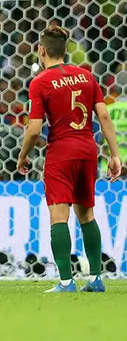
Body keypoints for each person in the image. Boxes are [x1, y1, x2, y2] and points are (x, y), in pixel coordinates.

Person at [17, 25, 121, 293]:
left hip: (61, 152)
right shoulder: (86, 76)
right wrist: (114, 154)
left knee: (58, 217)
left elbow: (35, 129)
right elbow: (104, 117)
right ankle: (97, 279)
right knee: (87, 214)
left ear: (41, 50)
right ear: (65, 50)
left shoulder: (40, 82)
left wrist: (23, 154)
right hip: (88, 149)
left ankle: (65, 282)